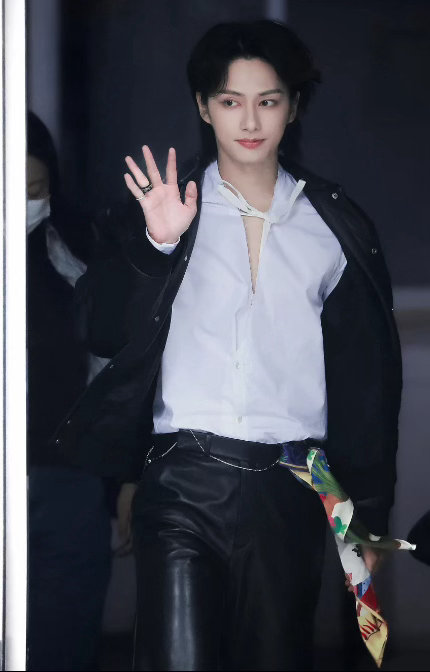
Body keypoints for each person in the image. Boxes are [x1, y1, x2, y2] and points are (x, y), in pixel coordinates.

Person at [53, 19, 402, 671]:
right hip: (181, 479)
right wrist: (156, 246)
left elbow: (366, 387)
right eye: (229, 100)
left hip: (295, 482)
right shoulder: (165, 208)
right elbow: (103, 332)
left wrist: (368, 514)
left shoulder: (334, 227)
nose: (249, 120)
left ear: (293, 107)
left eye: (267, 100)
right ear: (202, 106)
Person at [26, 112, 133, 671]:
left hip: (69, 481)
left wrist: (128, 476)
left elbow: (118, 369)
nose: (25, 204)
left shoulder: (73, 249)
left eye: (35, 189)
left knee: (63, 645)